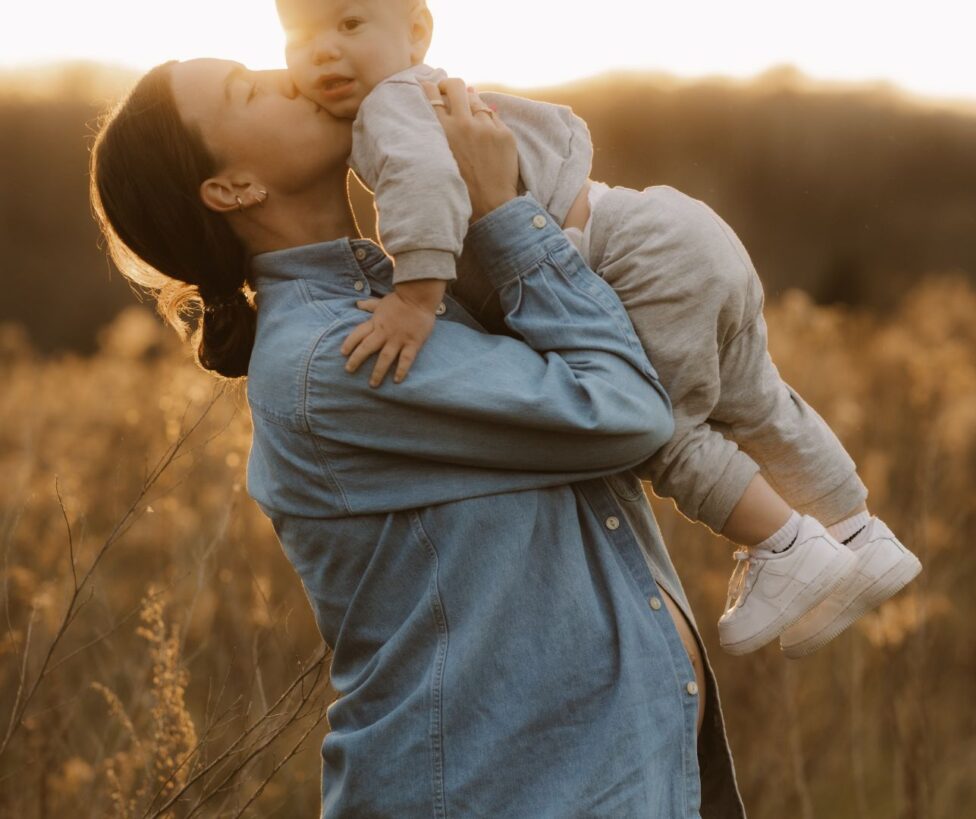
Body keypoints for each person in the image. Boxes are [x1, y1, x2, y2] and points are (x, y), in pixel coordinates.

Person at [90, 58, 746, 817]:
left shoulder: (401, 292)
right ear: (234, 189)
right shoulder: (340, 355)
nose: (289, 74)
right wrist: (502, 213)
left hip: (605, 781)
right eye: (248, 90)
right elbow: (625, 409)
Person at [277, 0, 922, 657]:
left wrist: (414, 300)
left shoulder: (391, 106)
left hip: (631, 264)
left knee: (658, 427)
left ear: (417, 33)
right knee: (756, 398)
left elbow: (424, 186)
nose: (322, 50)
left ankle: (782, 544)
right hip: (674, 227)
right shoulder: (436, 89)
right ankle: (859, 535)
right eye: (297, 36)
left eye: (349, 25)